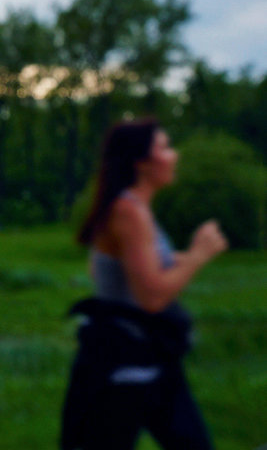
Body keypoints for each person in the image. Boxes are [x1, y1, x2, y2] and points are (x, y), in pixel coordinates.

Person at [60, 118, 229, 450]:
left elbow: (119, 269)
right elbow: (151, 297)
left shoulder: (134, 209)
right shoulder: (128, 211)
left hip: (149, 358)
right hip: (123, 365)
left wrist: (183, 258)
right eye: (164, 147)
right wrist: (198, 255)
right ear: (141, 162)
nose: (174, 155)